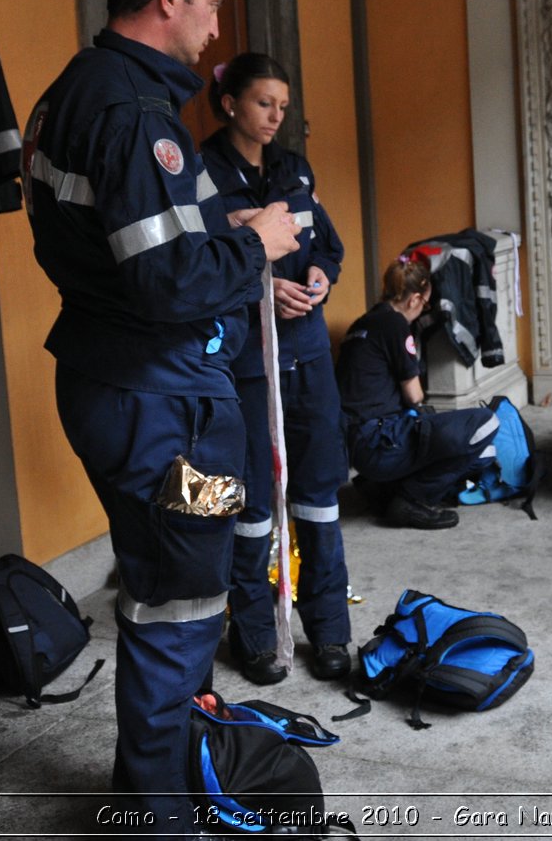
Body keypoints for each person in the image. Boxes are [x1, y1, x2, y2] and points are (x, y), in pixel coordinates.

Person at [22, 0, 301, 830]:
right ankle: (158, 812)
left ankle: (165, 778)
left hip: (111, 381)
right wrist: (255, 245)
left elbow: (117, 245)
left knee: (157, 587)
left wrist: (228, 227)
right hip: (162, 403)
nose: (218, 29)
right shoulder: (139, 118)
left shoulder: (73, 89)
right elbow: (168, 280)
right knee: (181, 604)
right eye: (214, 4)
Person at [198, 52, 353, 686]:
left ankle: (331, 632)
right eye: (264, 102)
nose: (275, 116)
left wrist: (318, 277)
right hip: (245, 360)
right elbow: (199, 265)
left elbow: (328, 247)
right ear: (231, 101)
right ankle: (256, 635)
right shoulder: (199, 173)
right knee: (252, 504)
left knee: (319, 496)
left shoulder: (295, 169)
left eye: (283, 106)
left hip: (308, 357)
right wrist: (262, 288)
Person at [336, 258, 501, 530]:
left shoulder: (362, 323)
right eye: (425, 305)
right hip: (382, 441)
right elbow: (414, 395)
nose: (423, 310)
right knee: (485, 428)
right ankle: (412, 500)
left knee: (467, 443)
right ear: (414, 300)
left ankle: (383, 489)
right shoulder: (395, 324)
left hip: (356, 447)